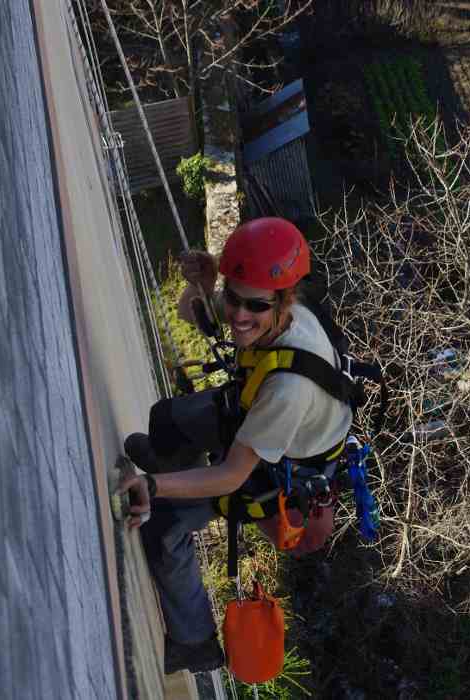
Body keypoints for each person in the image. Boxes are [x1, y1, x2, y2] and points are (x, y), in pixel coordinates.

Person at [120, 218, 353, 674]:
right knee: (165, 420)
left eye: (255, 305)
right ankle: (173, 472)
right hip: (252, 415)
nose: (240, 315)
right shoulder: (271, 309)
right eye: (233, 298)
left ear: (284, 301)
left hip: (274, 472)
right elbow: (190, 313)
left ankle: (194, 642)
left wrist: (154, 485)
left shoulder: (290, 389)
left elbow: (232, 475)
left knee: (162, 526)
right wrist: (206, 285)